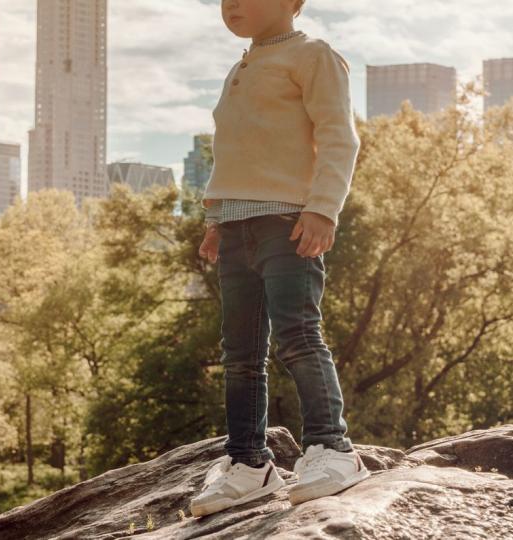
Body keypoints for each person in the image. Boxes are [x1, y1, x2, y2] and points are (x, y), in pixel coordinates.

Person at [189, 0, 370, 518]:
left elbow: (340, 137)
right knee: (240, 352)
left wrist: (323, 210)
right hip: (236, 226)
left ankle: (333, 448)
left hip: (288, 223)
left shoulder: (314, 55)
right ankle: (249, 463)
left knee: (297, 336)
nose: (233, 5)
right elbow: (235, 150)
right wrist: (217, 218)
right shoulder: (240, 67)